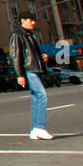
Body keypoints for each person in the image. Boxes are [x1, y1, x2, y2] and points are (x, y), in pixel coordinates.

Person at [9, 12, 52, 140]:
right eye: (31, 20)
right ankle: (40, 127)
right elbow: (15, 56)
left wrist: (42, 58)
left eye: (34, 20)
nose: (33, 23)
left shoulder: (30, 36)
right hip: (29, 70)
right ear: (23, 20)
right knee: (42, 95)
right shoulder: (17, 35)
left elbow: (31, 54)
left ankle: (35, 129)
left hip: (35, 69)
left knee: (36, 98)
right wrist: (19, 75)